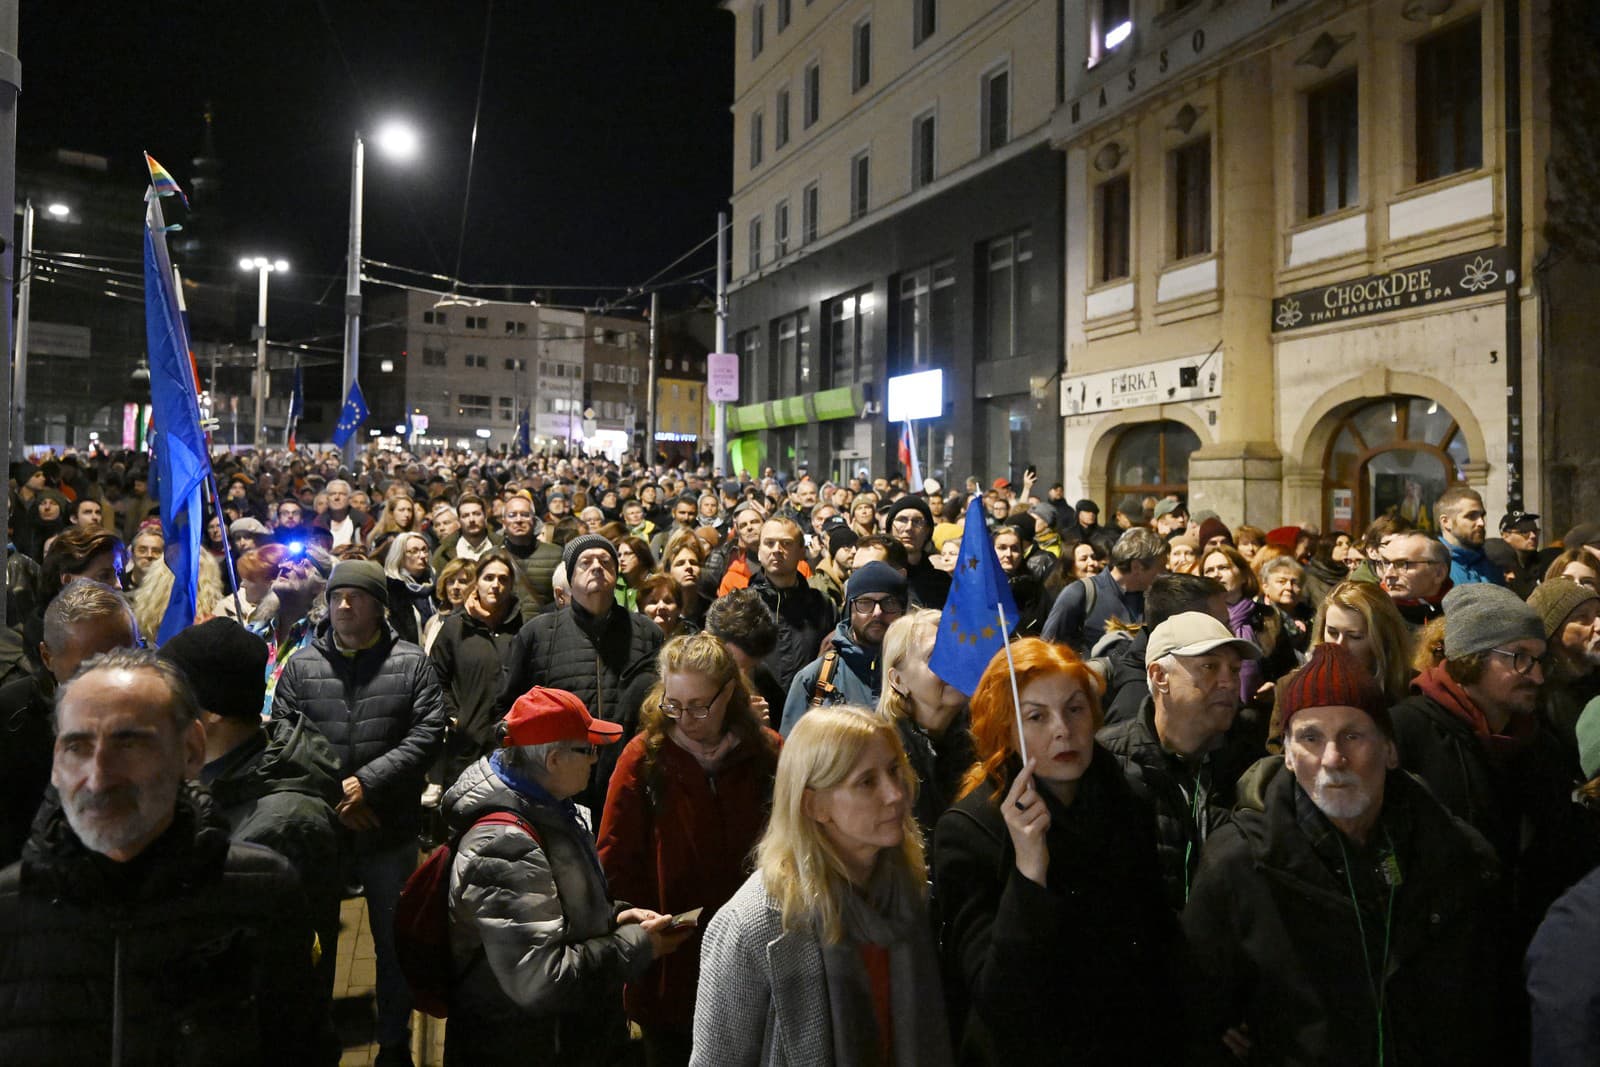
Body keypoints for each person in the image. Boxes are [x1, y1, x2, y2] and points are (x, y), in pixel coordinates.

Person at [1182, 642, 1508, 1065]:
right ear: (1288, 757)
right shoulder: (1239, 865)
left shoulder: (1456, 853)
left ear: (1389, 750)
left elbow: (1492, 1004)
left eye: (1352, 735)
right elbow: (1194, 1012)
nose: (1333, 758)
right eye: (1311, 738)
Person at [0, 649, 333, 1062]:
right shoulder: (11, 907)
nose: (99, 776)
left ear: (190, 751)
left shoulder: (260, 893)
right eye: (77, 746)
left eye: (129, 743)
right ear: (54, 762)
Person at [934, 639, 1174, 1064]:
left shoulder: (1128, 796)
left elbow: (1156, 935)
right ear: (1005, 729)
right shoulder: (971, 830)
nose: (1062, 729)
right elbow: (998, 997)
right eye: (1036, 717)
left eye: (1075, 708)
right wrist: (1029, 872)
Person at [692, 705, 953, 1067]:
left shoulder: (907, 890)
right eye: (867, 782)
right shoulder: (751, 925)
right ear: (813, 804)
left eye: (895, 770)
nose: (895, 794)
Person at [442, 686, 690, 1066]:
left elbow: (559, 907)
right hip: (526, 1048)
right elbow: (539, 980)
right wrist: (637, 945)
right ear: (554, 759)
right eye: (588, 749)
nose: (595, 760)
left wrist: (616, 915)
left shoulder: (549, 807)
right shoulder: (504, 845)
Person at [271, 558, 447, 1063]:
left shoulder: (410, 663)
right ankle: (318, 1037)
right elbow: (284, 736)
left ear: (379, 606)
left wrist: (367, 783)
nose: (345, 605)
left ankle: (392, 1041)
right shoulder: (303, 665)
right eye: (337, 596)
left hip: (387, 827)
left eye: (357, 596)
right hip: (323, 828)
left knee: (394, 943)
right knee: (317, 940)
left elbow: (427, 733)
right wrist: (336, 794)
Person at [597, 634, 782, 1066]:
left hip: (754, 957)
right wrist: (630, 920)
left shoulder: (768, 753)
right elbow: (613, 860)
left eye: (699, 705)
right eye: (673, 705)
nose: (686, 719)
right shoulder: (644, 758)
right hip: (673, 967)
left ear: (731, 692)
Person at [159, 617, 344, 1002]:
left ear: (210, 712)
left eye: (170, 694)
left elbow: (288, 977)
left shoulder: (289, 822)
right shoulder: (203, 781)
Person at [1389, 583, 1577, 938]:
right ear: (1471, 657)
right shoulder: (1405, 736)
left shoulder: (1540, 747)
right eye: (1519, 657)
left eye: (1539, 660)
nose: (1536, 676)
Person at [1097, 612, 1263, 909]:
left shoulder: (1250, 760)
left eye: (1235, 670)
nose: (1228, 682)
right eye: (1210, 667)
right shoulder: (1107, 762)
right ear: (1160, 676)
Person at [498, 534, 664, 821]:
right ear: (570, 577)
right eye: (585, 562)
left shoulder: (647, 633)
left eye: (605, 561)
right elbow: (509, 709)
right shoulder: (538, 634)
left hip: (631, 777)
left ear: (616, 574)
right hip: (557, 783)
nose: (597, 567)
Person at [0, 579, 140, 868]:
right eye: (89, 668)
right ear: (47, 656)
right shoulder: (10, 715)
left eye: (124, 659)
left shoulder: (156, 707)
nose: (110, 681)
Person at [429, 549, 523, 789]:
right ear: (477, 582)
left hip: (511, 745)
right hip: (465, 745)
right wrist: (454, 717)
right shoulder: (455, 627)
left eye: (503, 579)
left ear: (511, 584)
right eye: (488, 577)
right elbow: (435, 678)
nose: (496, 585)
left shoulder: (524, 627)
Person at [781, 561, 905, 735]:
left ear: (902, 609)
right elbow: (791, 755)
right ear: (849, 608)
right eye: (865, 602)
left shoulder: (917, 673)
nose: (877, 612)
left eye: (889, 602)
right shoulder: (816, 677)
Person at [1042, 527, 1167, 654]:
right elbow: (1046, 649)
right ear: (1137, 567)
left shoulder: (1153, 600)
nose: (1164, 574)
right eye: (1161, 567)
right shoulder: (1080, 594)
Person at [747, 517, 836, 694]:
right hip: (756, 712)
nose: (776, 550)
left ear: (801, 551)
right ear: (759, 551)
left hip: (810, 709)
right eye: (769, 543)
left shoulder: (823, 605)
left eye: (786, 543)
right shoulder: (741, 606)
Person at [1528, 578, 1600, 773]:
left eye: (1598, 613)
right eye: (1582, 618)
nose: (1598, 625)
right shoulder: (1539, 702)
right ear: (1553, 631)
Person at [1377, 529, 1453, 631]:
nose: (1388, 574)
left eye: (1402, 564)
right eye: (1386, 563)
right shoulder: (1372, 615)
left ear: (1439, 573)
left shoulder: (1459, 615)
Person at [884, 496, 951, 608]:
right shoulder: (878, 577)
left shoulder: (942, 583)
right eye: (902, 520)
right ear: (890, 527)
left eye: (917, 521)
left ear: (927, 530)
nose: (909, 528)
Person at [1436, 484, 1502, 586]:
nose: (1481, 523)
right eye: (1471, 516)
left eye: (1482, 516)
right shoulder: (1434, 568)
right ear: (1446, 522)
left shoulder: (1491, 565)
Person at [383, 531, 435, 646]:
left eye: (424, 550)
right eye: (414, 551)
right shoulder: (391, 589)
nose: (422, 556)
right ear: (400, 555)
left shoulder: (435, 585)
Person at [420, 556, 477, 653]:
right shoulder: (434, 622)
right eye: (451, 581)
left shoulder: (478, 623)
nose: (455, 587)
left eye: (462, 582)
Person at [1485, 510, 1542, 598]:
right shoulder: (1495, 564)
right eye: (1524, 532)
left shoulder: (1542, 562)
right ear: (1506, 535)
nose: (1533, 536)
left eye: (1535, 531)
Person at [313, 478, 373, 548]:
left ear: (349, 499)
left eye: (342, 494)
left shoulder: (365, 521)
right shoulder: (319, 522)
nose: (337, 497)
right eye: (332, 494)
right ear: (327, 499)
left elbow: (368, 549)